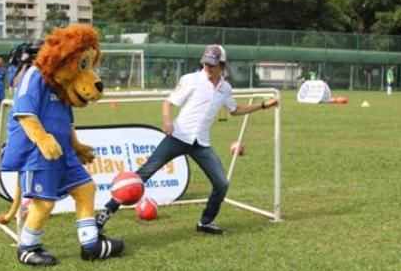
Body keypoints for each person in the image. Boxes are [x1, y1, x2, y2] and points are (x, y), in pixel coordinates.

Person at [95, 44, 280, 235]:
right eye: (206, 62)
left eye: (213, 64)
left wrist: (264, 105)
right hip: (177, 137)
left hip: (201, 144)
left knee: (222, 183)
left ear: (222, 65)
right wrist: (167, 121)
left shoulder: (225, 88)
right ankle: (103, 216)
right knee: (141, 177)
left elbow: (235, 110)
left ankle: (205, 222)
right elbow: (168, 102)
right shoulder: (190, 80)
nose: (208, 66)